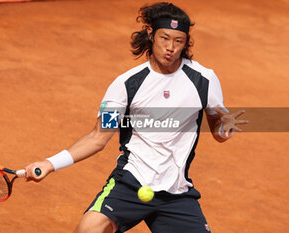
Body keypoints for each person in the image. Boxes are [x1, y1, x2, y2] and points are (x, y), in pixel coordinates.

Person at [24, 2, 248, 233]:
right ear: (151, 34)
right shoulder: (126, 84)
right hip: (130, 183)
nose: (170, 47)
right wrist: (50, 163)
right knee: (89, 229)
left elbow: (217, 131)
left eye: (178, 41)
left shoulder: (204, 79)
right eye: (164, 38)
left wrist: (224, 129)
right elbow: (97, 138)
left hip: (176, 192)